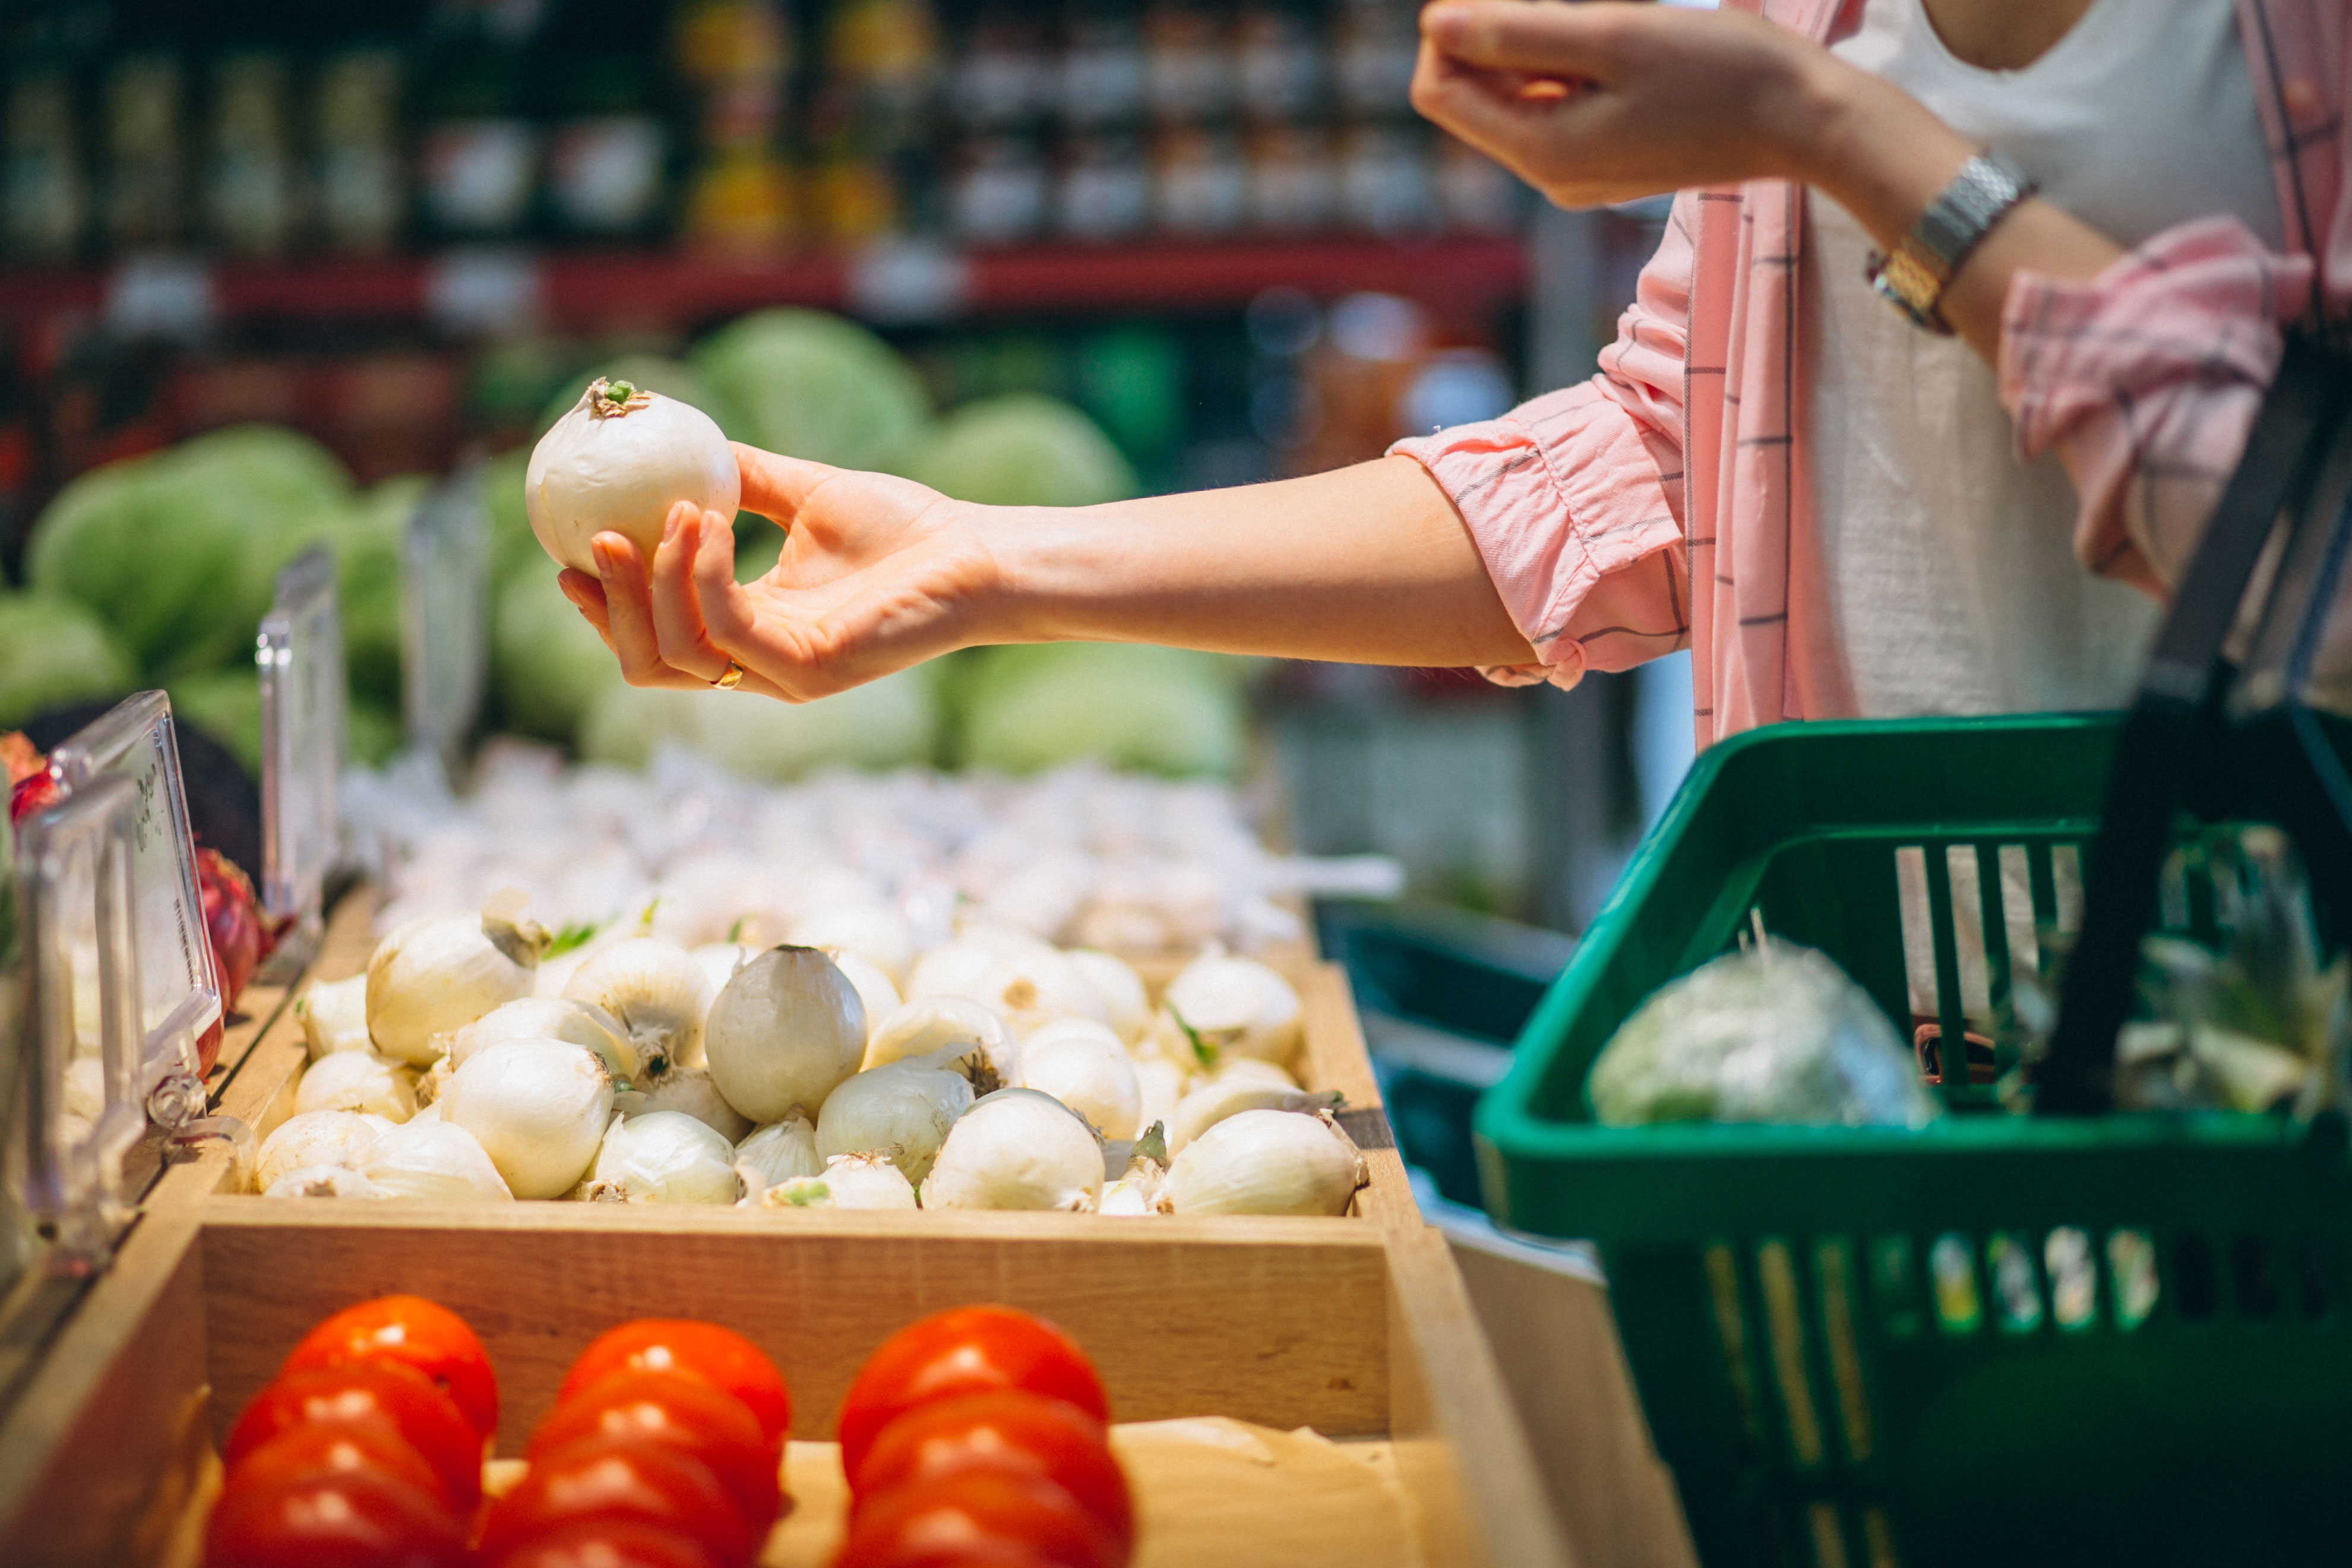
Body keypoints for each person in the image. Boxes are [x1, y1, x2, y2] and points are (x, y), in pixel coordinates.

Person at [562, 0, 2346, 748]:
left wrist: (1849, 145)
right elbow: (1668, 470)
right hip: (1876, 1025)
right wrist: (994, 569)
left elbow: (2313, 568)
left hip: (2274, 1052)